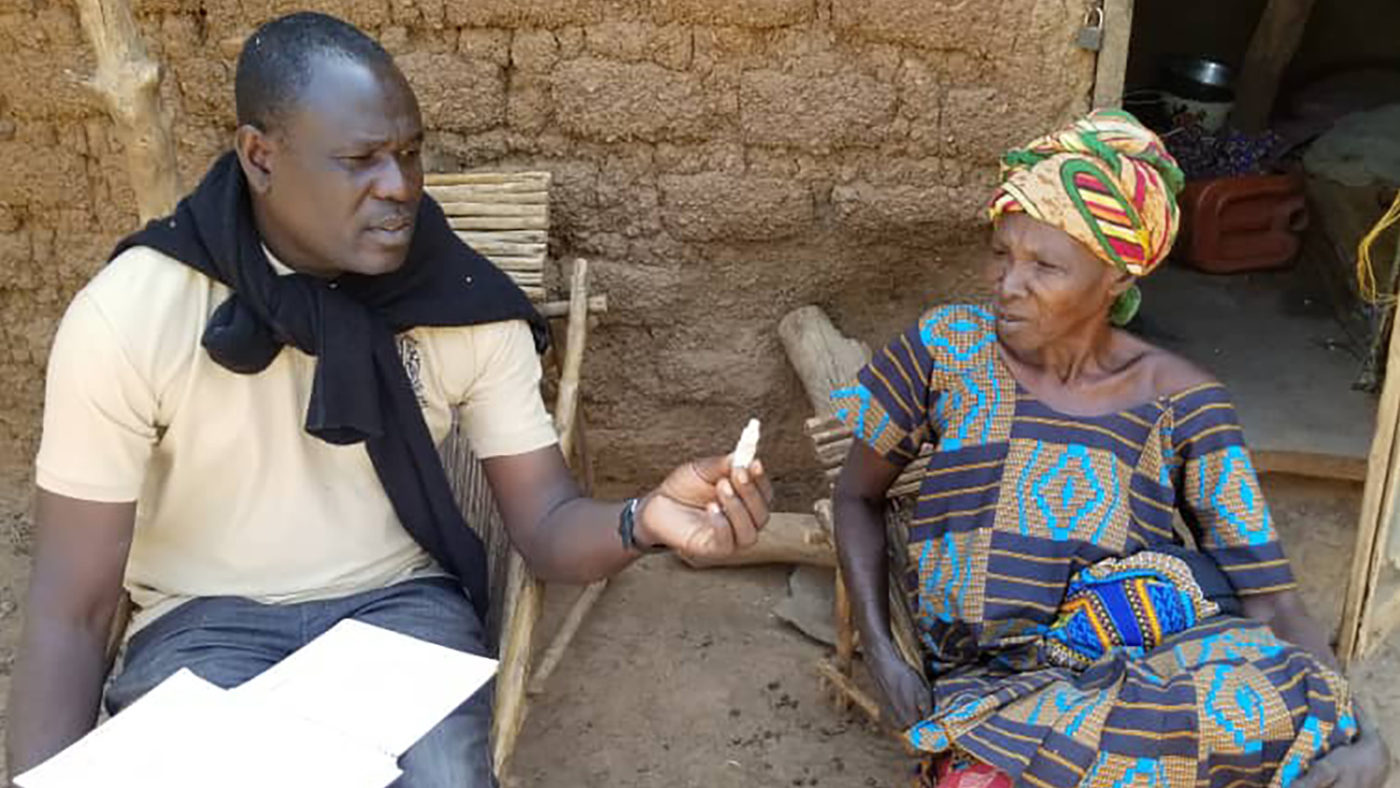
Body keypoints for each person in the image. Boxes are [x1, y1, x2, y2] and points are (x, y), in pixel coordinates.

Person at [4, 12, 771, 787]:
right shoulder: (132, 315)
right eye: (360, 160)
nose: (399, 187)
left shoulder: (459, 303)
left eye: (408, 154)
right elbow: (74, 607)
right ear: (260, 158)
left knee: (442, 775)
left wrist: (647, 518)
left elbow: (543, 525)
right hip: (202, 624)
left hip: (395, 616)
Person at [831, 110, 1390, 788]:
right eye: (1003, 252)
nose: (1008, 283)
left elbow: (1271, 601)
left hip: (1134, 672)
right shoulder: (948, 346)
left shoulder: (1185, 399)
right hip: (990, 688)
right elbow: (857, 495)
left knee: (1281, 706)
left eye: (1045, 265)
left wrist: (1359, 730)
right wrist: (884, 654)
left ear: (1117, 279)